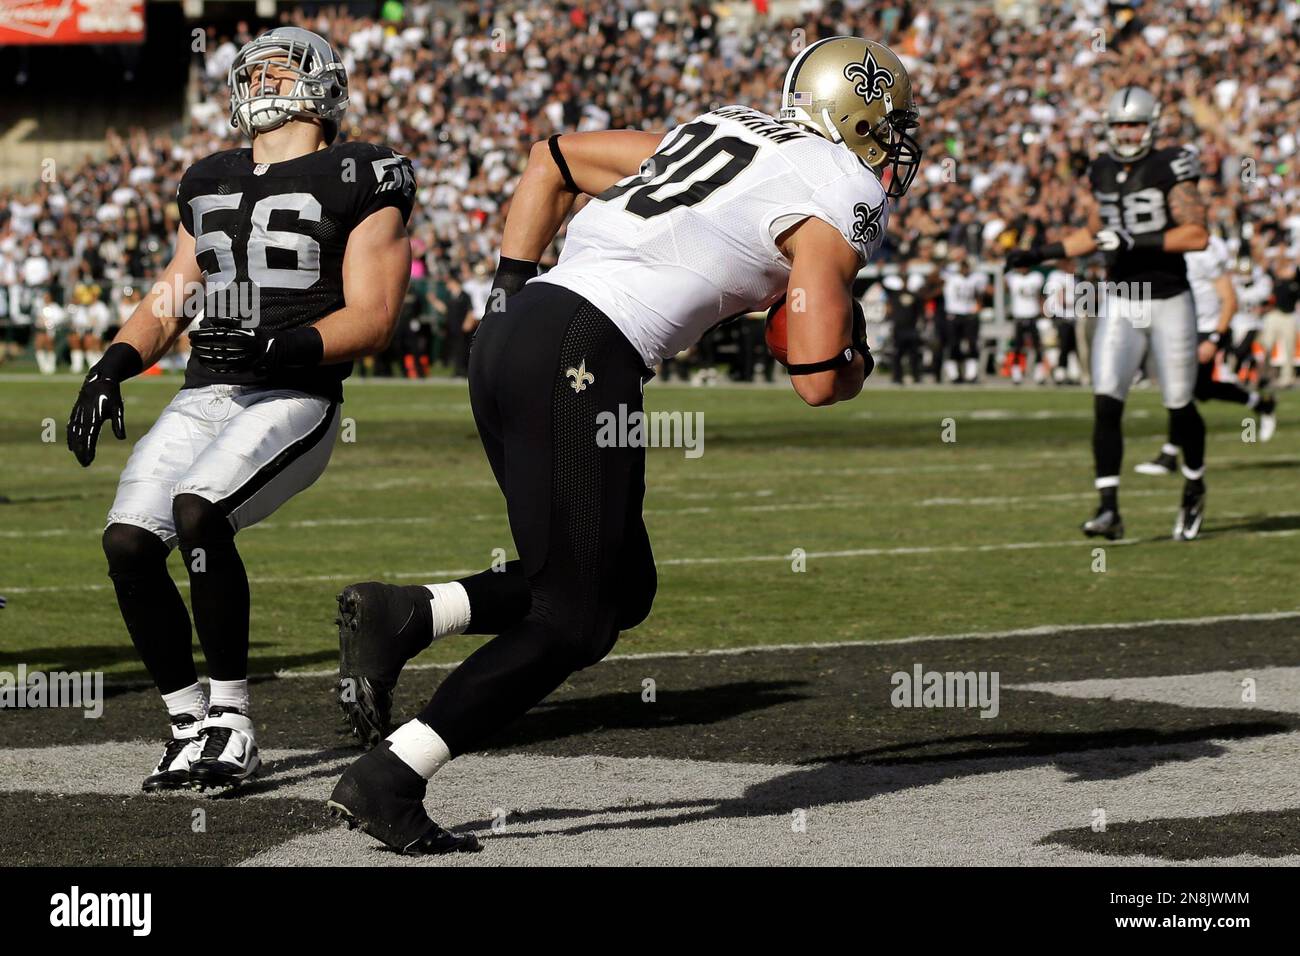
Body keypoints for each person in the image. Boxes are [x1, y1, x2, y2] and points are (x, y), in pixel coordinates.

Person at [326, 35, 920, 855]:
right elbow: (817, 377)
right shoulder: (840, 182)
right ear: (851, 118)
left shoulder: (728, 131)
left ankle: (411, 613)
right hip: (581, 352)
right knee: (574, 620)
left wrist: (507, 289)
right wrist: (855, 360)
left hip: (518, 335)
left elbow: (552, 160)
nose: (892, 150)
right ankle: (392, 775)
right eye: (887, 129)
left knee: (621, 585)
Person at [64, 26, 415, 794]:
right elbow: (172, 292)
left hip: (295, 392)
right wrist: (113, 365)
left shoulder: (361, 169)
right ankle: (189, 722)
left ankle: (234, 722)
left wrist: (278, 350)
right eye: (250, 71)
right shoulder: (209, 175)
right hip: (205, 392)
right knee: (126, 542)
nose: (258, 82)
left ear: (320, 84)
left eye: (278, 69)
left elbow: (377, 315)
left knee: (198, 512)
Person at [1008, 86, 1209, 541]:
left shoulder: (1171, 164)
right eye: (1119, 125)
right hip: (1123, 294)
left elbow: (1197, 235)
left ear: (1152, 125)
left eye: (1134, 124)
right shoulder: (1100, 169)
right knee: (1106, 401)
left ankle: (1194, 483)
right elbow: (1094, 236)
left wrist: (1137, 241)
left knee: (1178, 403)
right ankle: (1108, 509)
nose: (1126, 132)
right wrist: (1038, 253)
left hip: (1170, 296)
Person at [1136, 232, 1277, 474]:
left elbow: (1228, 296)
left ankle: (1170, 453)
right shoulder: (1172, 249)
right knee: (1201, 389)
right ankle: (1259, 403)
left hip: (1207, 328)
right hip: (1183, 324)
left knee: (1182, 390)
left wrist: (1214, 338)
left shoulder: (1207, 248)